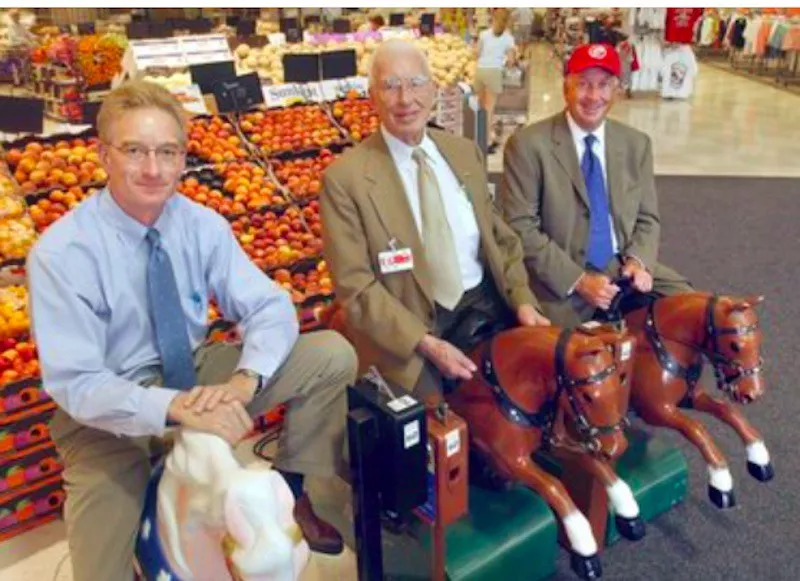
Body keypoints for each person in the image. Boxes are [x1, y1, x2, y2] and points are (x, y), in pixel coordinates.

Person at [27, 81, 356, 581]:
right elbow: (77, 383)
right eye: (134, 151)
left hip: (194, 369)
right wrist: (175, 408)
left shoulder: (202, 225)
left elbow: (270, 306)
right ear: (103, 156)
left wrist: (243, 382)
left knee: (332, 353)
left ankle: (293, 486)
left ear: (185, 157)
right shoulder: (61, 253)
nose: (153, 169)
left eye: (167, 151)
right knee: (100, 567)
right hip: (106, 409)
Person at [320, 40, 549, 402]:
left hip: (485, 307)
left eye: (415, 83)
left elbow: (500, 238)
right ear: (372, 96)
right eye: (390, 86)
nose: (405, 99)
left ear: (433, 88)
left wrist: (522, 299)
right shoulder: (345, 179)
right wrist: (426, 344)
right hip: (412, 331)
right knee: (436, 430)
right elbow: (355, 288)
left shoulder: (463, 152)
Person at [499, 44, 691, 329]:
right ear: (566, 87)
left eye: (603, 85)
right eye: (583, 84)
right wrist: (578, 281)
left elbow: (647, 218)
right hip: (561, 276)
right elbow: (520, 227)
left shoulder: (635, 144)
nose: (593, 96)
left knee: (696, 311)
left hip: (621, 266)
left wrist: (639, 260)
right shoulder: (528, 146)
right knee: (568, 358)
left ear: (616, 90)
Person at [474, 8, 517, 153]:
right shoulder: (508, 38)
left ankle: (476, 136)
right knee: (489, 109)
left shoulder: (483, 34)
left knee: (480, 108)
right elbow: (511, 61)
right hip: (494, 72)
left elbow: (477, 53)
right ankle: (485, 142)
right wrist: (505, 61)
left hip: (480, 71)